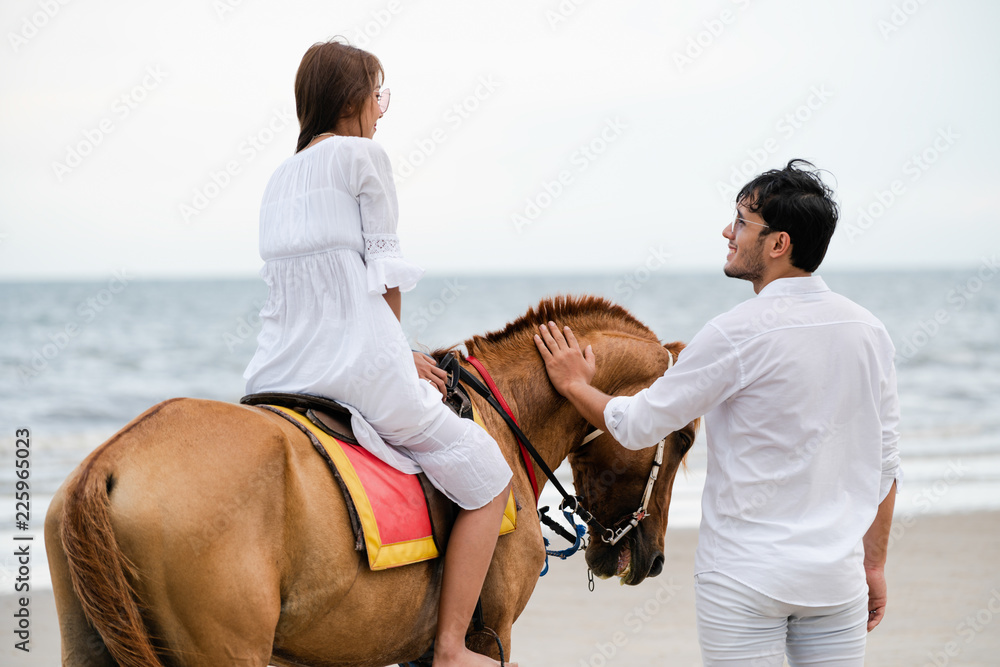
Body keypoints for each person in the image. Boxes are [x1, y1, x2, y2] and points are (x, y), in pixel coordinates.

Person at [534, 160, 901, 666]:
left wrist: (575, 384)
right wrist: (874, 565)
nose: (728, 232)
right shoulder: (870, 331)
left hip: (744, 581)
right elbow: (885, 466)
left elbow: (639, 424)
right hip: (836, 581)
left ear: (778, 244)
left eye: (742, 222)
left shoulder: (736, 332)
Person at [243, 39, 515, 667]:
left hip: (273, 375)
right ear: (352, 98)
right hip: (355, 372)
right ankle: (450, 647)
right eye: (378, 93)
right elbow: (384, 276)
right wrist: (398, 356)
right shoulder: (365, 156)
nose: (382, 110)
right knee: (485, 472)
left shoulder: (277, 179)